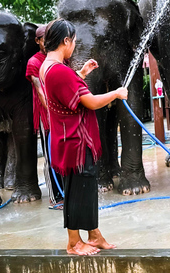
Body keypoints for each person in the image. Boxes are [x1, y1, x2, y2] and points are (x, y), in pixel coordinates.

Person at [39, 19, 126, 256]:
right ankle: (74, 243)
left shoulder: (47, 67)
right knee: (79, 189)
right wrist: (117, 94)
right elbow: (91, 102)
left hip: (67, 138)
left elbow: (65, 86)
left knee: (84, 187)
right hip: (76, 141)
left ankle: (94, 235)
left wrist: (82, 73)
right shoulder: (59, 71)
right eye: (74, 41)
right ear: (65, 41)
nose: (74, 46)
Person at [26, 25, 64, 210]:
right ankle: (55, 198)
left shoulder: (59, 58)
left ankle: (66, 193)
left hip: (62, 115)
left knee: (64, 153)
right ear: (37, 41)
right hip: (46, 115)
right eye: (43, 38)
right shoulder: (34, 62)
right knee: (51, 157)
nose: (47, 42)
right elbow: (39, 90)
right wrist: (53, 111)